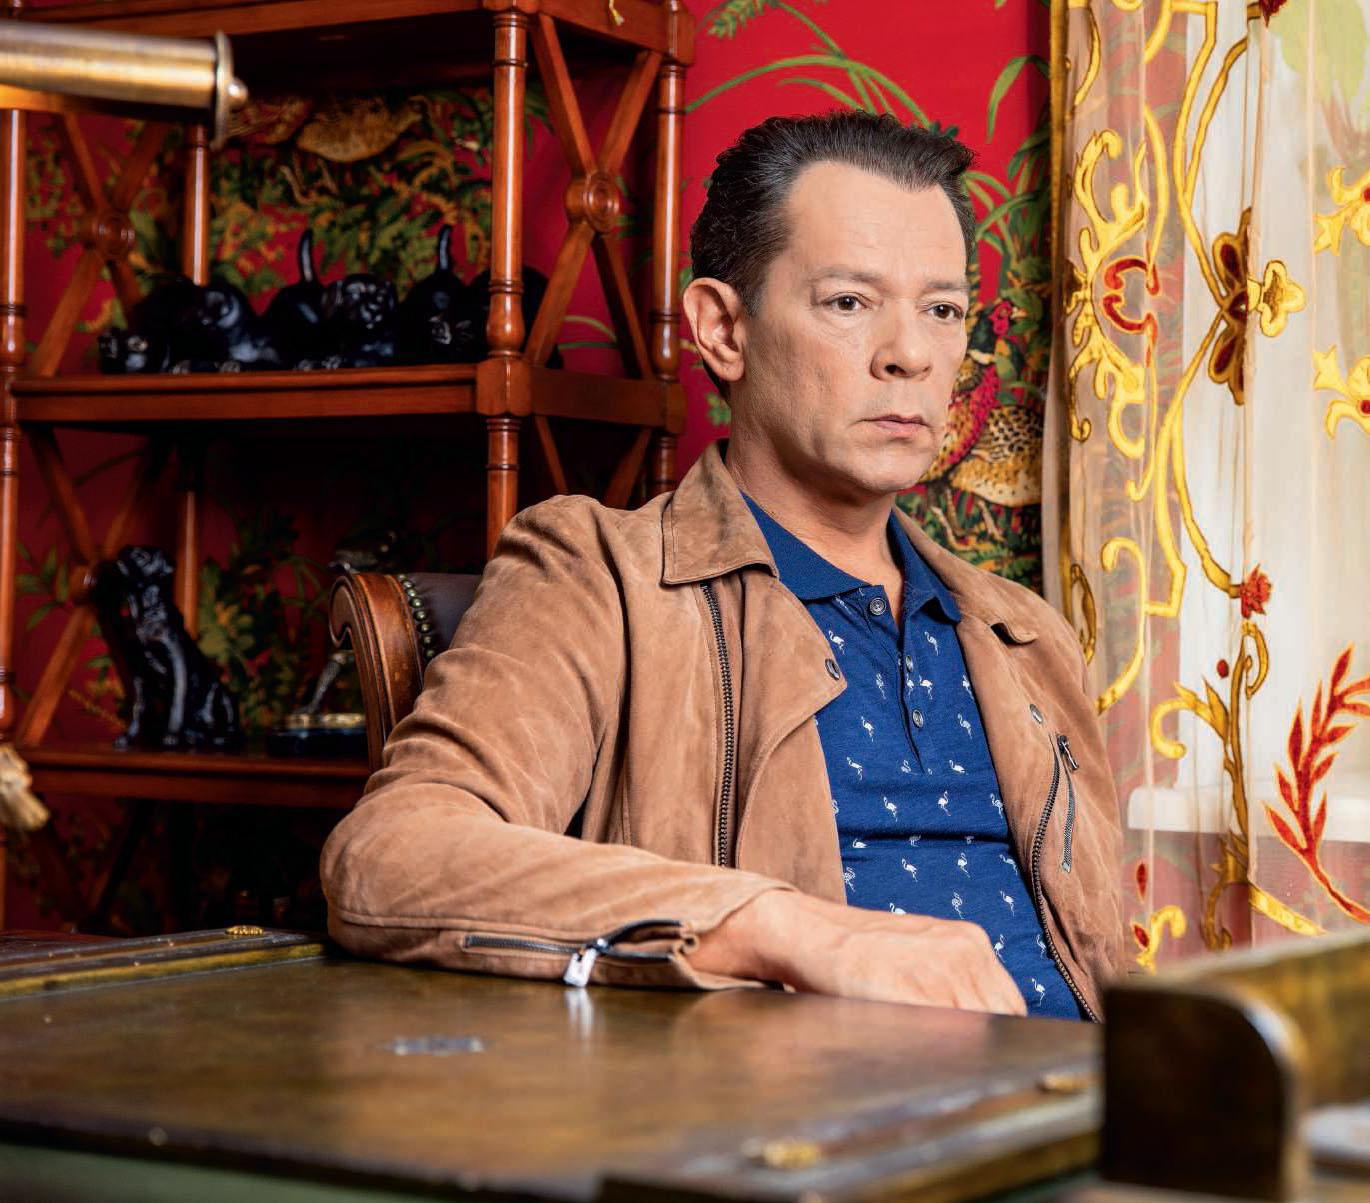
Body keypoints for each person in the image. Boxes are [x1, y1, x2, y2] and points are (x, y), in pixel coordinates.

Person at [321, 112, 1125, 1020]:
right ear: (722, 330)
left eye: (942, 310)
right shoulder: (601, 576)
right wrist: (784, 928)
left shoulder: (1025, 633)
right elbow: (389, 856)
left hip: (1087, 1091)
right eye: (849, 302)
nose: (910, 354)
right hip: (805, 1096)